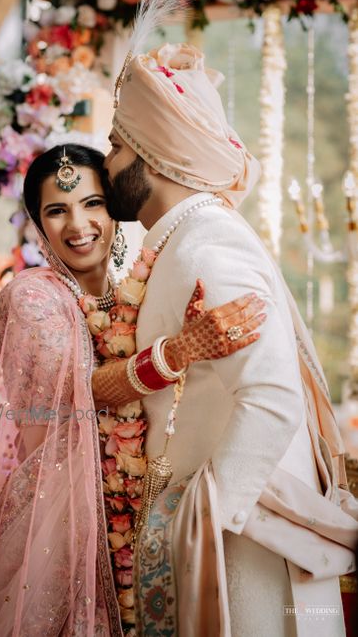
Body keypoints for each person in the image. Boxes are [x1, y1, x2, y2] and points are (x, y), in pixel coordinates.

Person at [0, 144, 265, 636]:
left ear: (114, 208)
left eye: (92, 203)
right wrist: (178, 351)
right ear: (38, 222)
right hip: (53, 519)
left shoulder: (134, 288)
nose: (78, 224)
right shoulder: (31, 296)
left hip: (138, 503)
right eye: (57, 210)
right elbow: (80, 389)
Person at [104, 39, 358, 637]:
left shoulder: (205, 241)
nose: (107, 159)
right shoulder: (180, 239)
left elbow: (272, 395)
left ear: (153, 154)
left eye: (117, 145)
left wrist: (208, 510)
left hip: (243, 544)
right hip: (228, 536)